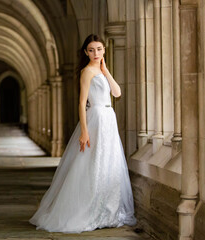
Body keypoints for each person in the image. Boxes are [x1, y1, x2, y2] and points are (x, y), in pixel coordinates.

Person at [28, 34, 137, 233]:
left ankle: (107, 211)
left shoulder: (101, 70)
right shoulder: (86, 72)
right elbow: (82, 102)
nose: (96, 53)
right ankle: (91, 209)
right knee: (93, 162)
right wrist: (84, 131)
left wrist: (106, 70)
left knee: (108, 162)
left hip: (108, 117)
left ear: (104, 50)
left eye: (99, 49)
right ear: (86, 52)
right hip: (95, 117)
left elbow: (117, 93)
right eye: (92, 50)